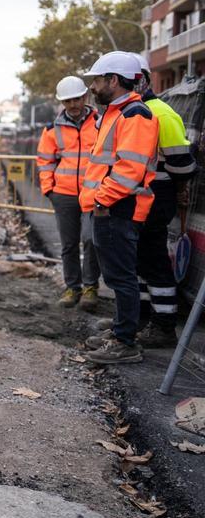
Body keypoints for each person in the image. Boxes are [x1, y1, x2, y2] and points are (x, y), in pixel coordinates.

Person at [78, 52, 159, 365]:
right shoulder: (117, 112)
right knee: (116, 277)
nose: (94, 87)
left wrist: (101, 199)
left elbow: (129, 170)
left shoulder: (134, 114)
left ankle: (125, 341)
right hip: (110, 208)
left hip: (116, 208)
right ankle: (120, 331)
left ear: (113, 80)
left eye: (97, 80)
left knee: (122, 278)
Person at [133, 54, 197, 347]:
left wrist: (180, 187)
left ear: (141, 80)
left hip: (156, 199)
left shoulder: (161, 114)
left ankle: (163, 325)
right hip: (141, 199)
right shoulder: (138, 112)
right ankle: (144, 318)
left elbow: (182, 163)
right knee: (141, 262)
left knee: (154, 261)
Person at [36, 76, 100, 310]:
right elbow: (45, 161)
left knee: (91, 240)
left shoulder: (101, 123)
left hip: (94, 194)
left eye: (76, 99)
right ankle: (72, 287)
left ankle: (90, 287)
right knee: (69, 244)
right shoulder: (52, 130)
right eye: (67, 101)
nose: (73, 105)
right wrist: (49, 190)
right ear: (62, 102)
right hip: (63, 194)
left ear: (85, 97)